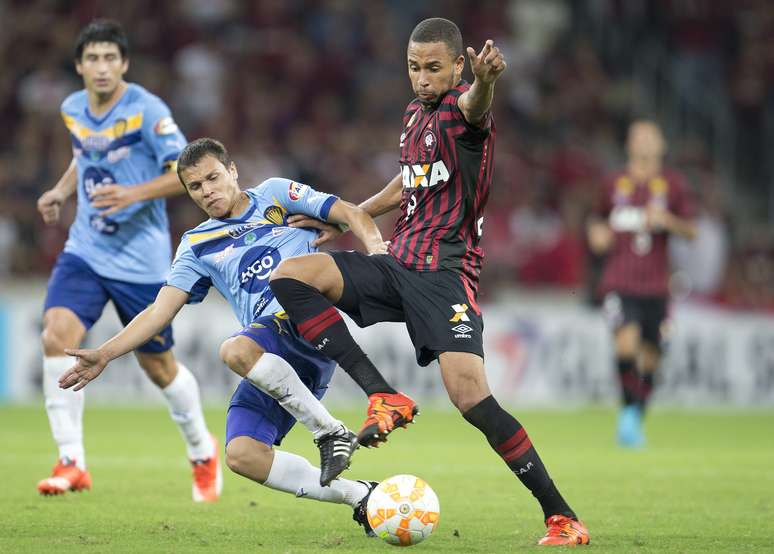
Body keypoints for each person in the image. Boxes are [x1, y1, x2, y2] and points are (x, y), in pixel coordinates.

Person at [269, 17, 590, 546]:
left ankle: (561, 516)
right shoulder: (415, 114)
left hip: (445, 276)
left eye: (434, 68)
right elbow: (409, 179)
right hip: (398, 263)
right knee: (293, 276)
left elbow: (477, 108)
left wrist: (487, 82)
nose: (422, 77)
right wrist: (347, 217)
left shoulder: (465, 111)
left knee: (473, 401)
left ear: (459, 65)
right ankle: (383, 396)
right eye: (414, 67)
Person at [59, 137, 387, 534]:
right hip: (270, 353)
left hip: (306, 322)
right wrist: (106, 353)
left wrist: (379, 257)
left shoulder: (276, 194)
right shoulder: (196, 245)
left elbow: (349, 212)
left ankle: (329, 432)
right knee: (242, 455)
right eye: (195, 187)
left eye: (213, 178)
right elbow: (161, 309)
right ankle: (362, 497)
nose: (207, 191)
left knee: (235, 350)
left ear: (233, 171)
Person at [35, 20, 220, 500]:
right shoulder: (72, 108)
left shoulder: (147, 110)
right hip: (86, 249)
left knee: (159, 368)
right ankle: (71, 460)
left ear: (125, 64)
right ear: (79, 66)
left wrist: (134, 193)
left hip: (141, 261)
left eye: (110, 58)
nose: (102, 67)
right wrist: (60, 189)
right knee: (56, 334)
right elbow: (85, 156)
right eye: (92, 58)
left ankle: (202, 449)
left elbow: (186, 171)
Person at [587, 120, 696, 447]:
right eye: (639, 136)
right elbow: (596, 217)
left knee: (651, 357)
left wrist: (669, 221)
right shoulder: (613, 183)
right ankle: (628, 414)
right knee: (626, 343)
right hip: (618, 281)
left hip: (657, 286)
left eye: (651, 136)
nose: (645, 142)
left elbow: (692, 231)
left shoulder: (674, 185)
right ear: (629, 145)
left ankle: (634, 416)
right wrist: (596, 233)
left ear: (662, 144)